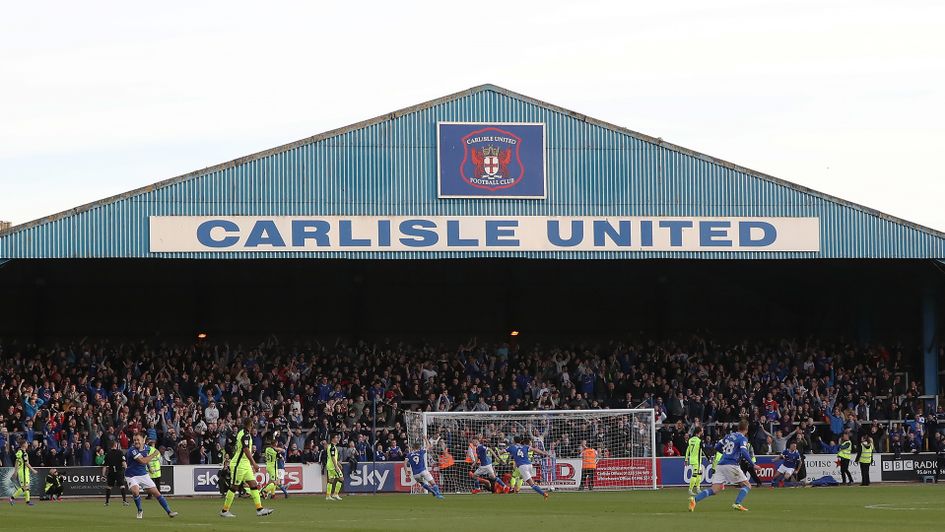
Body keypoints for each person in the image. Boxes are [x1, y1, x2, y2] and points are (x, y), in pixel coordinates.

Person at [689, 419, 759, 512]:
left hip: (720, 464)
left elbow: (717, 446)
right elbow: (744, 451)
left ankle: (695, 500)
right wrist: (753, 464)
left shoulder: (729, 436)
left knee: (715, 489)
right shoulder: (742, 438)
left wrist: (725, 453)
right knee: (747, 485)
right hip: (731, 464)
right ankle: (737, 503)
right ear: (746, 429)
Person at [219, 418, 274, 518]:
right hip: (239, 464)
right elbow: (245, 450)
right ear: (251, 424)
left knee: (253, 485)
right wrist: (254, 463)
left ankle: (259, 509)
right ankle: (224, 510)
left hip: (245, 464)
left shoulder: (242, 432)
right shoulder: (245, 435)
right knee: (234, 487)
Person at [125, 431, 178, 519]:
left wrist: (149, 466)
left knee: (157, 493)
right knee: (135, 491)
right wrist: (154, 454)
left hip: (143, 475)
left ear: (143, 440)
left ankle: (169, 512)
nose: (136, 442)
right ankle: (140, 510)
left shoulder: (147, 448)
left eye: (138, 440)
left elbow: (151, 456)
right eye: (134, 440)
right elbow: (143, 461)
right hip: (131, 475)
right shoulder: (132, 450)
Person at [9, 439, 36, 506]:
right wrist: (33, 470)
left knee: (27, 486)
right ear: (23, 444)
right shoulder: (23, 453)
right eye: (27, 443)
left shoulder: (19, 452)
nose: (27, 445)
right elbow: (26, 463)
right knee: (25, 487)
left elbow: (16, 462)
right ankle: (12, 498)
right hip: (23, 472)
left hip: (24, 471)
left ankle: (28, 501)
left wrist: (15, 472)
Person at [103, 439, 129, 506]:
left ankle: (107, 502)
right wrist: (127, 470)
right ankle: (124, 501)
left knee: (109, 486)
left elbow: (105, 466)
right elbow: (123, 462)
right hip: (119, 472)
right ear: (115, 445)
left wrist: (103, 474)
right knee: (122, 486)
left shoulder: (107, 454)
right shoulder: (120, 452)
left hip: (111, 472)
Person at [263, 435, 289, 500]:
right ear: (275, 444)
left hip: (268, 466)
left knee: (272, 481)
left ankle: (273, 494)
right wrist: (282, 457)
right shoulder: (275, 452)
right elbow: (282, 455)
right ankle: (264, 491)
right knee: (275, 482)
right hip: (273, 467)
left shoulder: (267, 449)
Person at [685, 427, 704, 495]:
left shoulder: (690, 440)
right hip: (697, 460)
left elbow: (688, 450)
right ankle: (690, 489)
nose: (702, 432)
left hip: (692, 459)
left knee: (699, 473)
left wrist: (686, 459)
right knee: (695, 475)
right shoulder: (699, 441)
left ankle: (698, 488)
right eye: (701, 431)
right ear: (699, 432)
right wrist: (709, 458)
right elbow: (704, 451)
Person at [325, 434, 343, 501]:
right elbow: (332, 457)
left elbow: (333, 457)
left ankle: (328, 495)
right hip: (332, 466)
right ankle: (335, 494)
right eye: (336, 437)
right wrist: (336, 466)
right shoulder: (332, 447)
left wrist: (338, 463)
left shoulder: (331, 446)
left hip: (330, 465)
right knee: (341, 479)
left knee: (331, 481)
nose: (338, 438)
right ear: (332, 439)